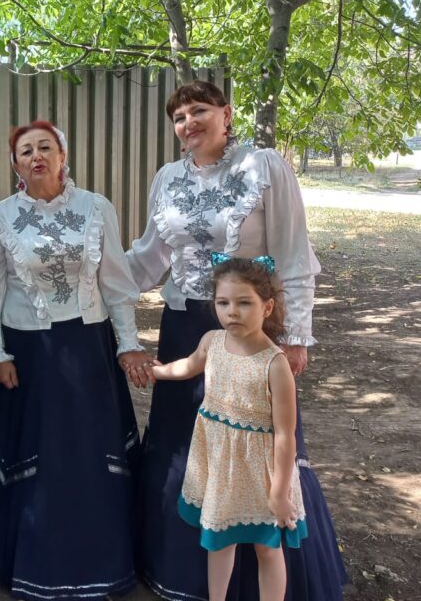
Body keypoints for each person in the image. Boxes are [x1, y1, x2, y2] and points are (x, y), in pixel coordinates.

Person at [127, 79, 346, 601]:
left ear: (226, 114)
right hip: (185, 327)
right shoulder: (167, 178)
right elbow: (149, 258)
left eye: (199, 111)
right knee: (188, 447)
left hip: (250, 328)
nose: (189, 123)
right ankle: (182, 573)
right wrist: (92, 277)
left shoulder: (264, 167)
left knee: (260, 442)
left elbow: (293, 255)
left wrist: (295, 336)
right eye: (179, 117)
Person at [0, 120, 153, 601]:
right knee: (36, 453)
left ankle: (100, 563)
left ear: (63, 156)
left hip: (88, 348)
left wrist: (128, 343)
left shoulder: (96, 208)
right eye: (25, 151)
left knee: (88, 452)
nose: (36, 155)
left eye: (45, 147)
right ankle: (31, 562)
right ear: (14, 165)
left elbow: (116, 284)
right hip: (27, 353)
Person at [152, 255, 306, 601]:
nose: (232, 312)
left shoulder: (275, 364)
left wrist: (279, 492)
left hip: (260, 472)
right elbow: (188, 366)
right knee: (219, 541)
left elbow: (285, 435)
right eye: (223, 303)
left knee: (267, 547)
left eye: (244, 303)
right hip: (221, 465)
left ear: (267, 307)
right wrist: (156, 371)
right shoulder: (212, 341)